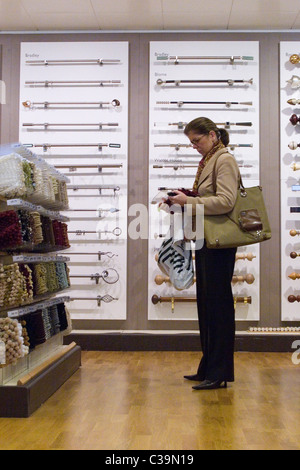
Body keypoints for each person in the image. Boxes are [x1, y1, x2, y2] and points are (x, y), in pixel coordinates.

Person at [167, 117, 240, 390]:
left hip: (220, 242)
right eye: (191, 142)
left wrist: (190, 201)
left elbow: (226, 201)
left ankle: (219, 372)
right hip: (207, 239)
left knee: (218, 306)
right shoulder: (210, 160)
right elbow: (208, 196)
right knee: (207, 303)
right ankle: (209, 366)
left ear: (211, 135)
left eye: (196, 141)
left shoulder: (224, 160)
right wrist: (184, 196)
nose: (194, 146)